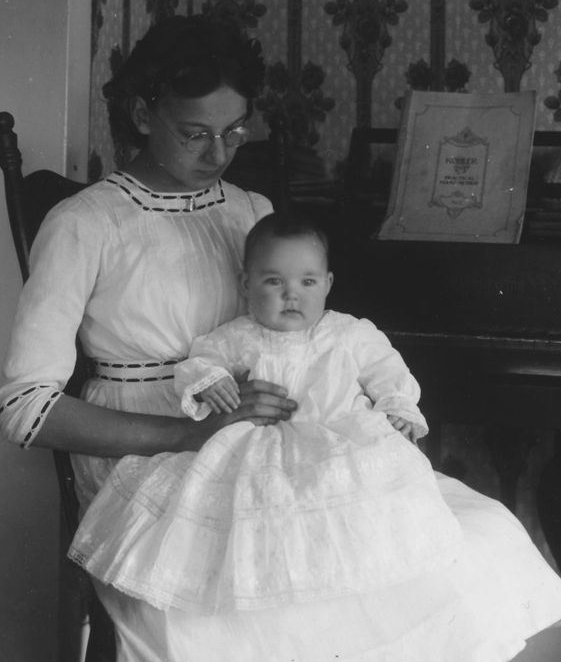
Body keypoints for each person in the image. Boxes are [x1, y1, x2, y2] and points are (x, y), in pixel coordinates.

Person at [0, 14, 561, 662]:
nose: (219, 154)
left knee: (473, 546)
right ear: (141, 111)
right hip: (156, 460)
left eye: (235, 132)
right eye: (197, 132)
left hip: (287, 456)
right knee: (379, 585)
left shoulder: (249, 208)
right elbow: (26, 409)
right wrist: (191, 431)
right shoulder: (85, 223)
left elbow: (307, 337)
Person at [68, 211, 464, 614]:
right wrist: (211, 382)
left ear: (327, 284)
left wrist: (397, 406)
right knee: (250, 510)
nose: (292, 294)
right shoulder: (239, 335)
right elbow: (202, 360)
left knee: (353, 504)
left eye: (307, 282)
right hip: (260, 449)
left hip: (337, 442)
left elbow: (388, 370)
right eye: (274, 281)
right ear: (246, 284)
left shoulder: (348, 333)